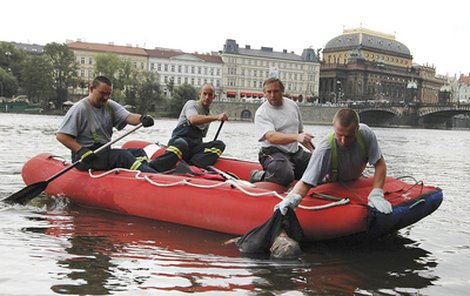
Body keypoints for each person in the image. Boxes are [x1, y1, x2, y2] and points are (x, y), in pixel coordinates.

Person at [275, 108, 393, 215]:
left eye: (349, 136)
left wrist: (377, 193)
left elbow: (380, 164)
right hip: (328, 181)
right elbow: (306, 182)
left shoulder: (366, 134)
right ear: (333, 127)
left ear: (357, 129)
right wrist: (292, 199)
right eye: (339, 135)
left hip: (355, 178)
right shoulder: (325, 149)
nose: (343, 141)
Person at [56, 75, 157, 173]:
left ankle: (150, 174)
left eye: (108, 94)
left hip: (103, 152)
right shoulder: (79, 109)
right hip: (86, 158)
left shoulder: (110, 106)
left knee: (138, 152)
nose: (105, 97)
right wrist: (81, 150)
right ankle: (154, 176)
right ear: (91, 89)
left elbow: (128, 117)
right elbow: (61, 136)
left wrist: (142, 118)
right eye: (102, 93)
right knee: (122, 156)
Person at [251, 78, 315, 187]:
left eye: (276, 91)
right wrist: (296, 137)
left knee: (319, 166)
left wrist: (314, 151)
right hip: (272, 152)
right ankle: (259, 176)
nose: (272, 95)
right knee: (285, 174)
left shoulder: (292, 105)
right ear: (265, 93)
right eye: (269, 92)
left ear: (282, 91)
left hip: (295, 153)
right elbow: (271, 137)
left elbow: (300, 133)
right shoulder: (262, 112)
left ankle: (298, 177)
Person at [149, 83, 228, 172]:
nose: (207, 97)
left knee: (219, 144)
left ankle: (194, 166)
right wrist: (216, 117)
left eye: (210, 95)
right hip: (179, 141)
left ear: (214, 97)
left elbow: (201, 136)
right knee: (182, 144)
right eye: (204, 94)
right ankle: (153, 167)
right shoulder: (191, 104)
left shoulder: (208, 115)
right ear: (200, 94)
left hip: (194, 147)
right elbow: (193, 119)